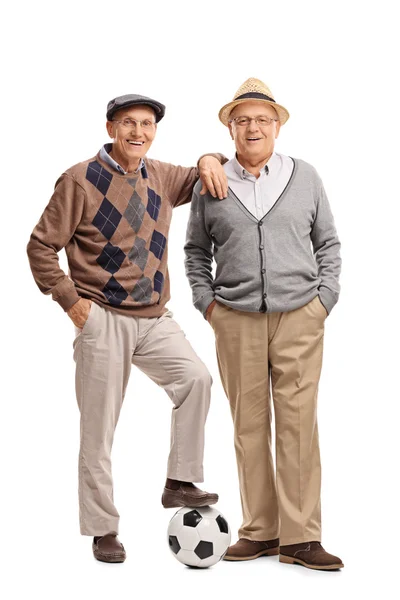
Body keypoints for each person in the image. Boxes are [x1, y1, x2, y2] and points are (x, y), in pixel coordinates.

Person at [27, 93, 228, 563]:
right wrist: (73, 305)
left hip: (154, 317)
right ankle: (103, 529)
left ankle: (179, 481)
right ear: (110, 127)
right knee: (98, 429)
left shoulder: (159, 174)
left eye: (147, 124)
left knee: (196, 380)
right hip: (102, 317)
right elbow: (39, 246)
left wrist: (206, 156)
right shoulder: (79, 179)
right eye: (128, 124)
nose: (138, 132)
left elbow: (209, 166)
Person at [184, 78, 344, 570]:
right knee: (248, 427)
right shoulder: (210, 182)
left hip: (300, 316)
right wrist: (208, 304)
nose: (252, 127)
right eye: (242, 119)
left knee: (297, 426)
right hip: (235, 320)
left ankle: (301, 538)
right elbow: (195, 252)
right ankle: (261, 530)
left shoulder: (306, 176)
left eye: (262, 119)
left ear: (277, 127)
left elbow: (328, 244)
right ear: (230, 128)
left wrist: (324, 299)